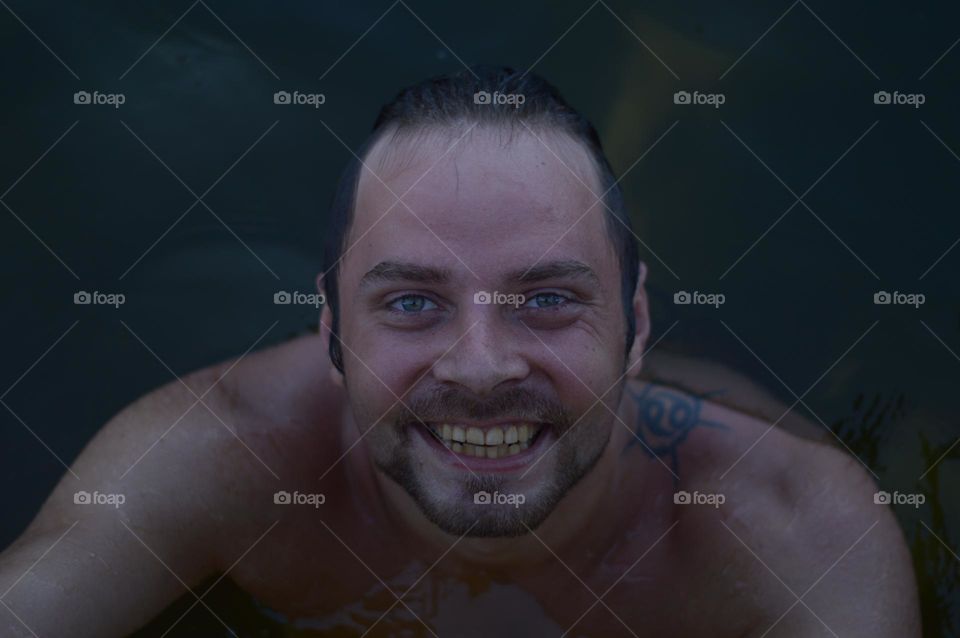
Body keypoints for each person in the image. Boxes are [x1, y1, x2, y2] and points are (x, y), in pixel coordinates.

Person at [0, 66, 919, 637]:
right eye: (412, 303)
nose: (479, 369)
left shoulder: (789, 532)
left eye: (547, 299)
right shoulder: (224, 458)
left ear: (639, 327)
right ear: (327, 331)